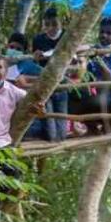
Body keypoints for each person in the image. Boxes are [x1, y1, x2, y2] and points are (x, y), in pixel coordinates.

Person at [31, 8, 68, 141]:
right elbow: (34, 62)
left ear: (61, 22)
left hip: (61, 82)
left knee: (62, 133)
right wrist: (36, 56)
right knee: (51, 132)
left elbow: (81, 49)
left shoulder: (68, 36)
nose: (50, 28)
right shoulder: (38, 39)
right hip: (44, 82)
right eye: (47, 24)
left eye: (54, 24)